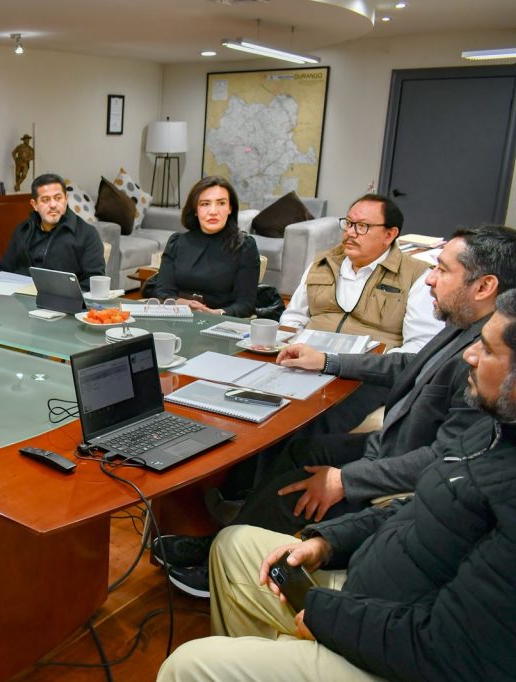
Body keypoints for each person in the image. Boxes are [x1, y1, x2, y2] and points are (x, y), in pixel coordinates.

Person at [156, 290, 516, 682]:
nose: (470, 355)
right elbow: (418, 509)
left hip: (384, 636)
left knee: (185, 665)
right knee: (234, 542)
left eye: (487, 350)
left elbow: (448, 650)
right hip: (368, 587)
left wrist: (329, 618)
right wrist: (326, 541)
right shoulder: (490, 434)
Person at [155, 225, 516, 597]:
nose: (429, 279)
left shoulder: (491, 363)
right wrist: (329, 361)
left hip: (401, 472)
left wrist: (345, 479)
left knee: (292, 490)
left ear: (484, 286)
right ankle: (223, 538)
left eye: (442, 269)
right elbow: (410, 364)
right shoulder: (467, 325)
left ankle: (221, 569)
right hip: (392, 445)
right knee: (300, 448)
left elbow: (442, 461)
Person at [277, 193, 443, 436]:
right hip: (306, 362)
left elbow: (420, 348)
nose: (350, 233)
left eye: (362, 226)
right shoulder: (322, 264)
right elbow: (293, 317)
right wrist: (291, 345)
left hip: (365, 376)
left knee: (311, 423)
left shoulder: (416, 276)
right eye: (349, 223)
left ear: (389, 234)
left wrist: (356, 364)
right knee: (261, 405)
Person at [151, 176, 260, 317]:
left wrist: (215, 313)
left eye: (221, 203)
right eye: (205, 204)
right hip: (178, 317)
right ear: (195, 210)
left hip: (221, 321)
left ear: (230, 208)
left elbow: (245, 304)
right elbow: (162, 292)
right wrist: (183, 304)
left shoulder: (245, 247)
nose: (213, 211)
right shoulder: (176, 242)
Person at [0, 172, 105, 289]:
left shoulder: (87, 234)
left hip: (63, 298)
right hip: (19, 294)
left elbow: (93, 282)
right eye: (45, 200)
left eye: (58, 198)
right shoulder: (23, 230)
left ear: (66, 199)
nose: (53, 205)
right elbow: (3, 270)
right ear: (34, 205)